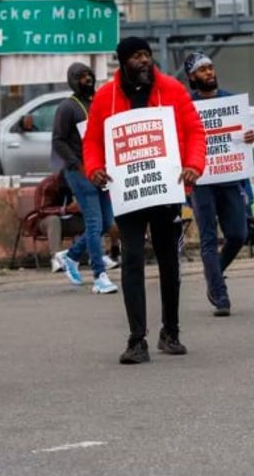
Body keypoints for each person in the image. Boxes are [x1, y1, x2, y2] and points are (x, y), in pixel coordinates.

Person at [83, 36, 206, 364]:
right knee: (133, 259)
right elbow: (92, 140)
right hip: (129, 191)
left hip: (166, 190)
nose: (145, 61)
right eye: (137, 56)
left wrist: (194, 165)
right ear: (122, 62)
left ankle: (171, 331)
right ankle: (137, 339)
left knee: (169, 260)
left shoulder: (173, 90)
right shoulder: (105, 97)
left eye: (147, 55)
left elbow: (195, 131)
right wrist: (94, 168)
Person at [184, 52, 254, 316]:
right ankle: (219, 293)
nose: (209, 73)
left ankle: (214, 272)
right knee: (208, 236)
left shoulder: (230, 101)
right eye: (202, 70)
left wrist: (247, 137)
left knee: (238, 234)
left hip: (229, 176)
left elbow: (242, 137)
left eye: (211, 68)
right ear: (192, 77)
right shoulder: (187, 106)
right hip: (201, 180)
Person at [51, 62, 118, 293]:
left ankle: (70, 256)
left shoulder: (97, 102)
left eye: (89, 75)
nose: (87, 79)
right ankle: (99, 275)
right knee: (94, 222)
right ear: (72, 80)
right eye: (81, 76)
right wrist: (76, 164)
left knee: (107, 222)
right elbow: (58, 141)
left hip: (100, 170)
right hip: (80, 172)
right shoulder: (68, 107)